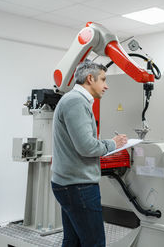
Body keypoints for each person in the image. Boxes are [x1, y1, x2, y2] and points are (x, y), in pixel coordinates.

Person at [51, 60, 128, 247]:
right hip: (79, 186)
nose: (106, 86)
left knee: (73, 240)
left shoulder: (73, 100)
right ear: (90, 78)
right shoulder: (76, 102)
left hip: (70, 183)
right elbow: (87, 147)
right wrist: (113, 143)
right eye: (103, 80)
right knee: (94, 242)